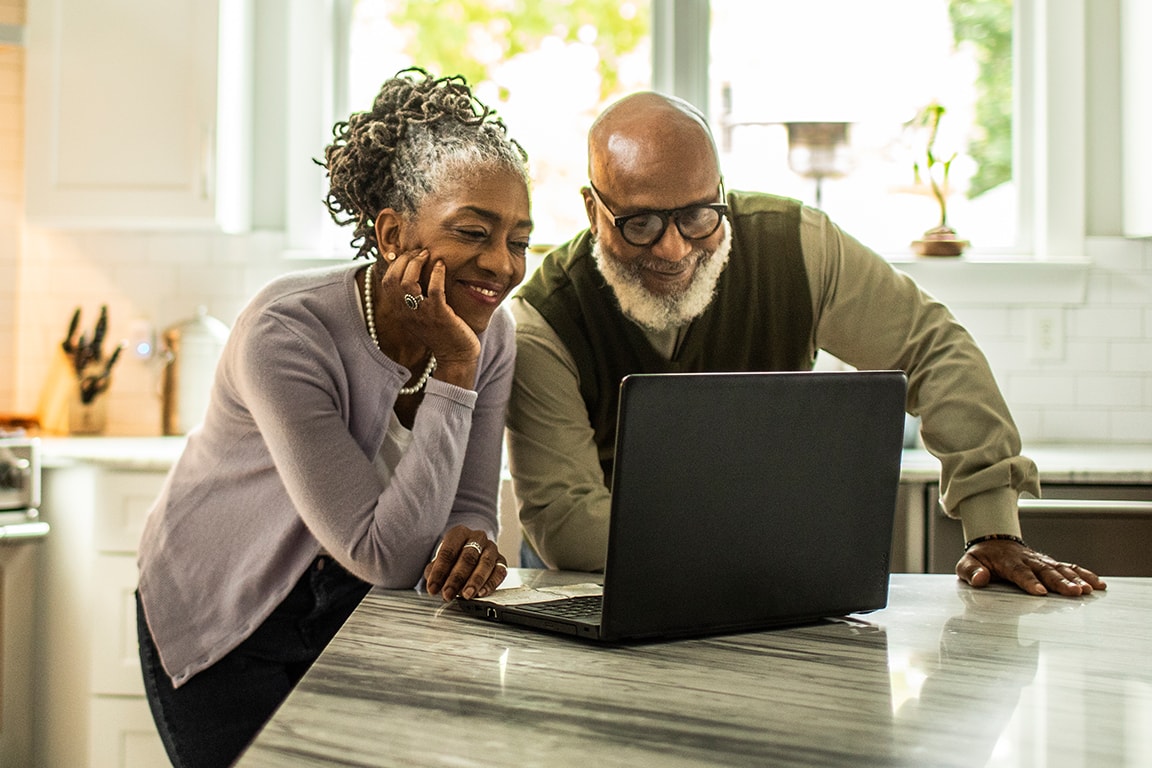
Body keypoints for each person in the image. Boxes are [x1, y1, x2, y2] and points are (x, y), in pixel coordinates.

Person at [506, 91, 1106, 599]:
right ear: (592, 209)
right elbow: (567, 524)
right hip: (593, 594)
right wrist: (782, 535)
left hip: (768, 586)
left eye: (698, 215)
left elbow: (931, 348)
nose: (674, 249)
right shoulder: (542, 321)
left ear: (722, 190)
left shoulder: (799, 248)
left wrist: (992, 526)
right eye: (640, 223)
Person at [136, 68, 532, 768]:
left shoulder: (490, 332)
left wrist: (472, 546)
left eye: (519, 240)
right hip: (224, 606)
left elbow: (470, 508)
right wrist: (456, 372)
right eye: (475, 232)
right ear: (390, 233)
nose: (501, 264)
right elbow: (386, 555)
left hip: (351, 607)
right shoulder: (285, 334)